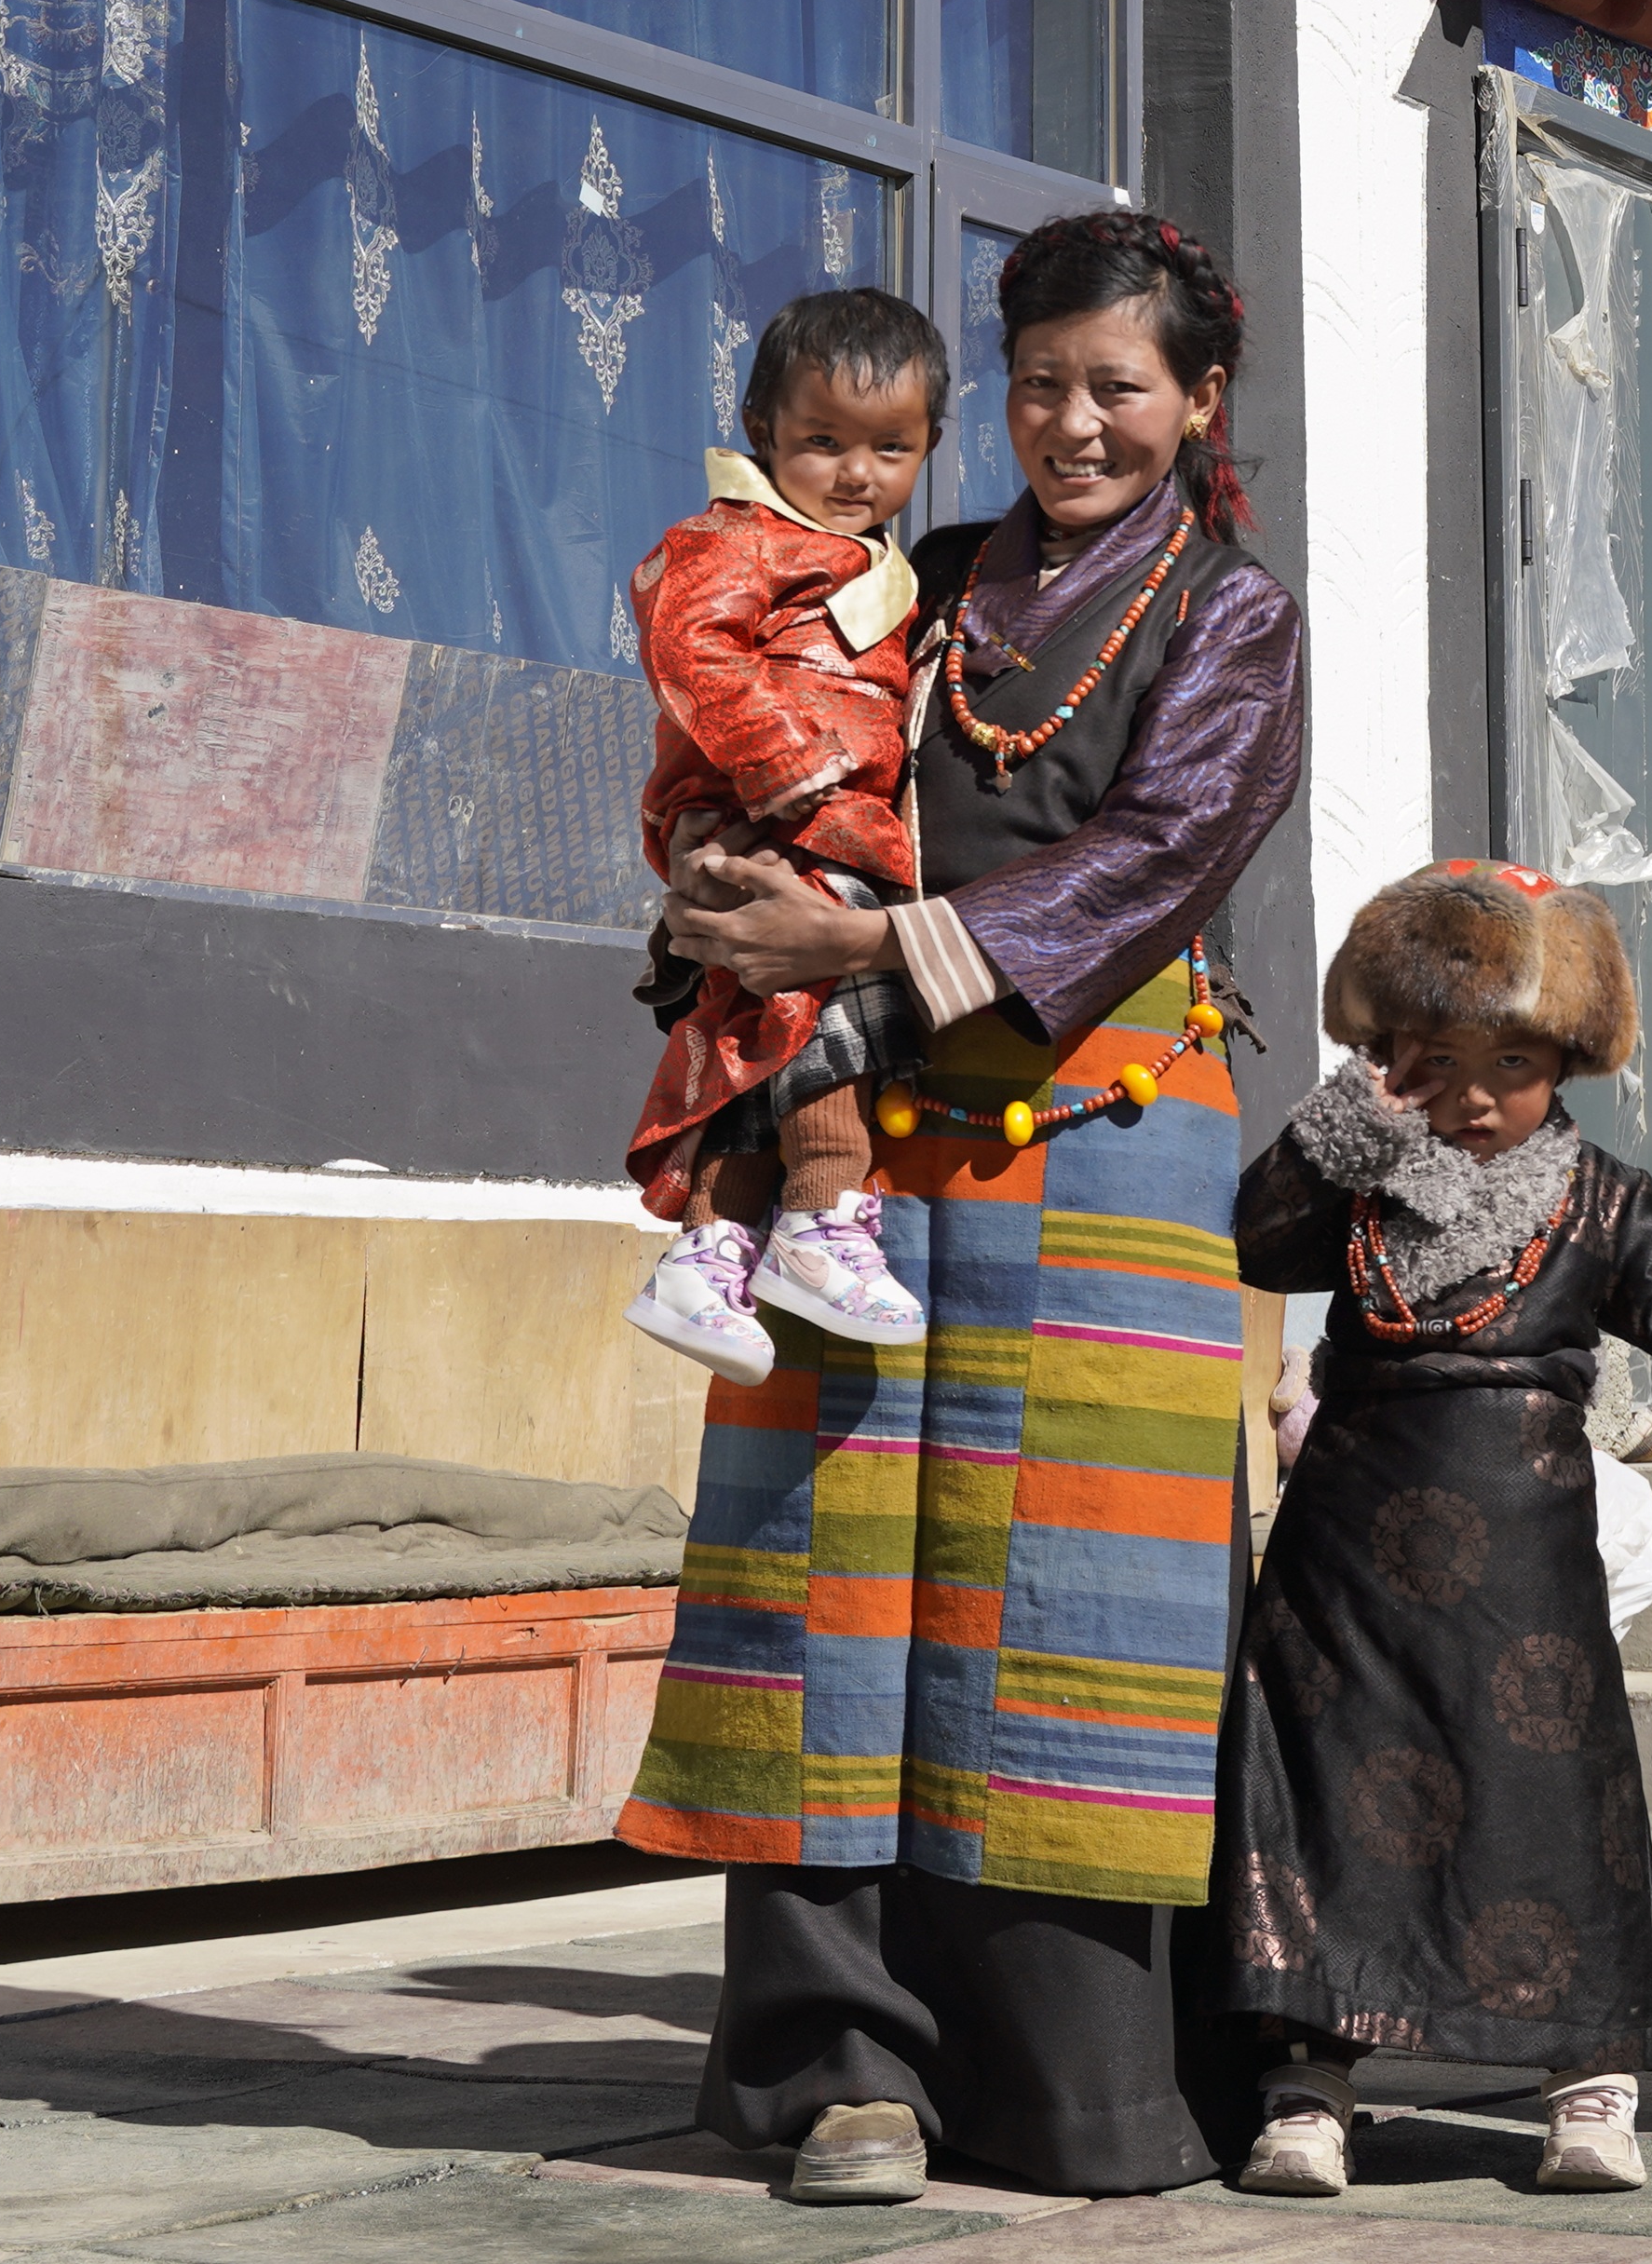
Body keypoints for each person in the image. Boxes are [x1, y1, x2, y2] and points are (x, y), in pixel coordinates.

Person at [619, 210, 1307, 2206]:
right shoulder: (904, 582)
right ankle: (840, 2071)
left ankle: (1072, 2085)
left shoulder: (1227, 614)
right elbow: (749, 752)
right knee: (821, 1605)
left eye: (1118, 388)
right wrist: (715, 901)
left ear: (1194, 401)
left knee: (1073, 1619)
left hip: (1101, 1140)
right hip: (849, 1146)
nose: (1072, 424)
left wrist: (860, 935)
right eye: (1036, 386)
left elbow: (1162, 853)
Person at [1212, 860, 1652, 2202]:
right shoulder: (1361, 1190)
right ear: (1387, 1059)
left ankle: (1589, 2084)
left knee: (1554, 1813)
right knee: (1322, 1796)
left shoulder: (1606, 1200)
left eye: (1518, 1058)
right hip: (1343, 1575)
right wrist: (1343, 1129)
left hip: (1526, 1578)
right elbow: (1261, 1244)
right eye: (1440, 1059)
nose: (1481, 1094)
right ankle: (1311, 2079)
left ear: (1572, 1059)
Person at [620, 289, 956, 1382]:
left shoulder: (884, 571)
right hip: (767, 813)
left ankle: (709, 1249)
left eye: (889, 448)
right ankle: (821, 1215)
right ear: (763, 430)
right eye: (823, 442)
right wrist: (776, 764)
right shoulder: (735, 539)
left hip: (834, 822)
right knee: (831, 1004)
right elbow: (688, 646)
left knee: (758, 1026)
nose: (856, 472)